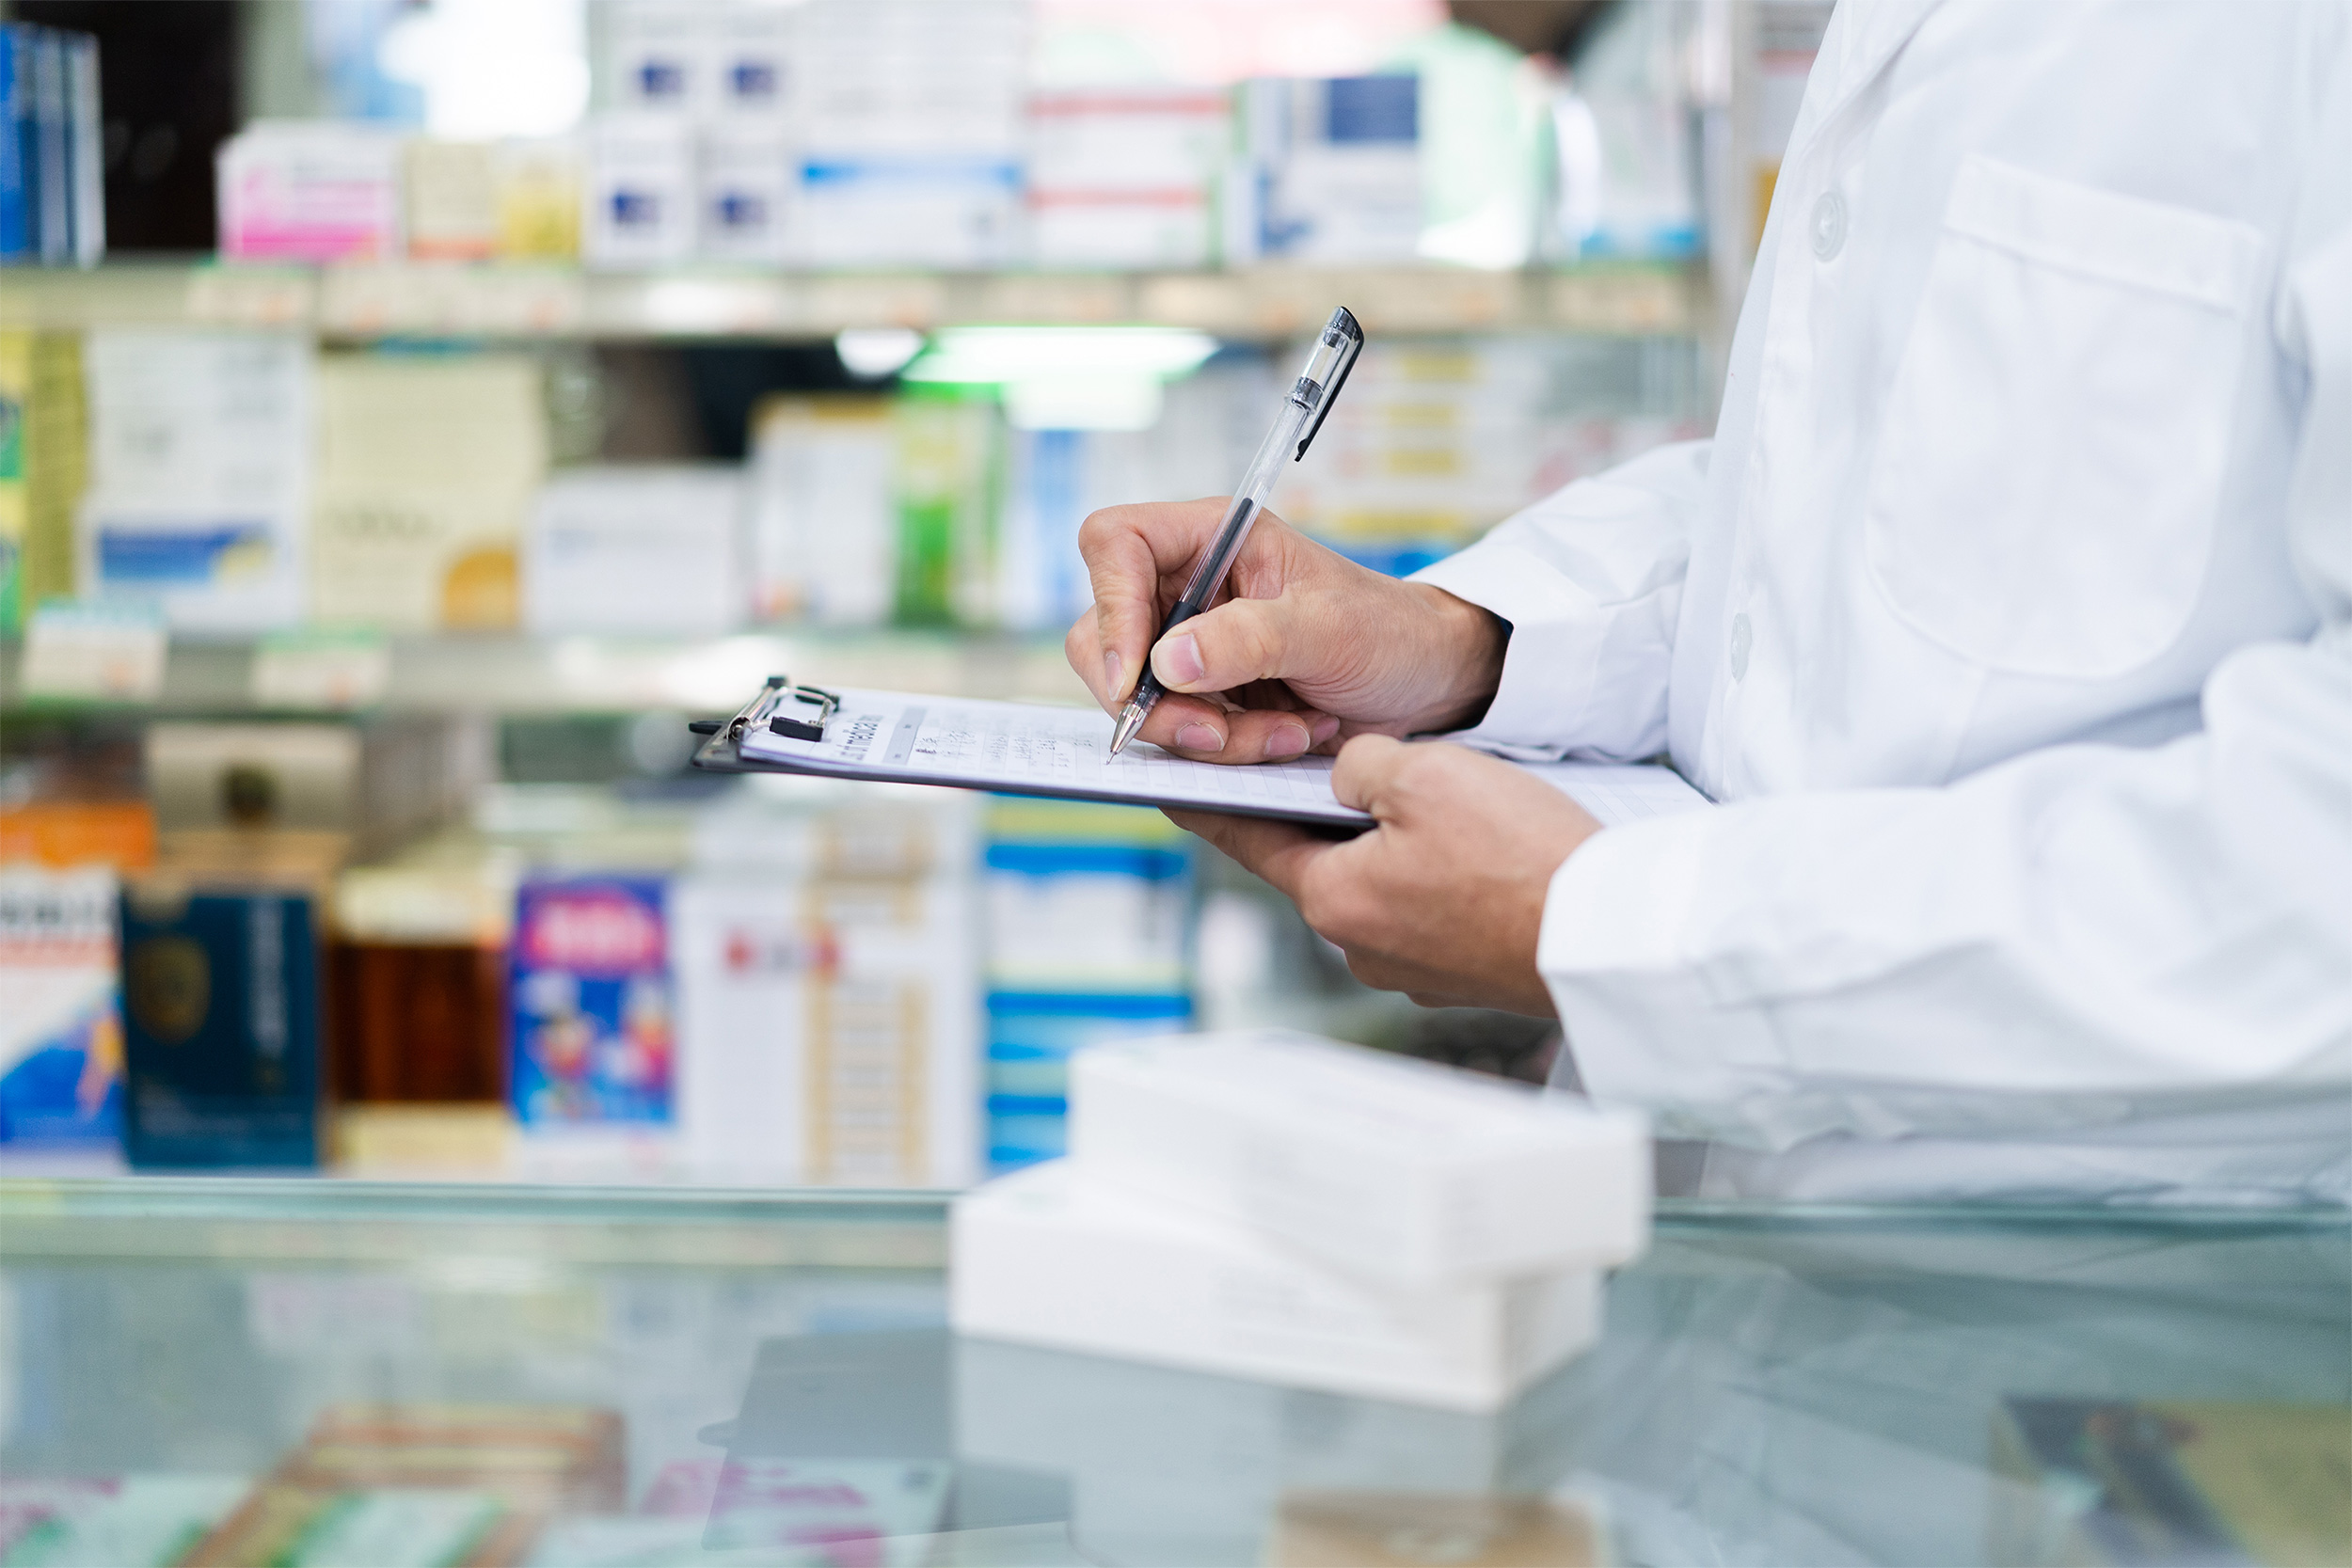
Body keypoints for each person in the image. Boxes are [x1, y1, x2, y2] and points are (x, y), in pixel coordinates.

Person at [1065, 0, 2352, 1203]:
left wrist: (1618, 931)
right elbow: (1858, 494)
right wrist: (1462, 644)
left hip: (2135, 1297)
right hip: (1741, 1267)